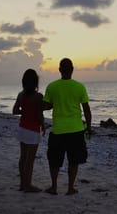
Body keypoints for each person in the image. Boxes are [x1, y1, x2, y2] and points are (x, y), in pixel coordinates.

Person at [42, 58, 92, 195]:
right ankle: (70, 188)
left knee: (54, 160)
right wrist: (89, 126)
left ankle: (54, 187)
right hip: (76, 129)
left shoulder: (52, 86)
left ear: (59, 70)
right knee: (74, 160)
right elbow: (86, 109)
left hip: (58, 129)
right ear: (72, 69)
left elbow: (45, 106)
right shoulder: (79, 86)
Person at [12, 68, 45, 193]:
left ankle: (22, 184)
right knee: (30, 160)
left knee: (23, 157)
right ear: (36, 82)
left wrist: (23, 111)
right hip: (33, 130)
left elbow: (14, 111)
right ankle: (28, 185)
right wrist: (43, 125)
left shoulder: (20, 95)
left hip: (22, 128)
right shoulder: (38, 96)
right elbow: (39, 114)